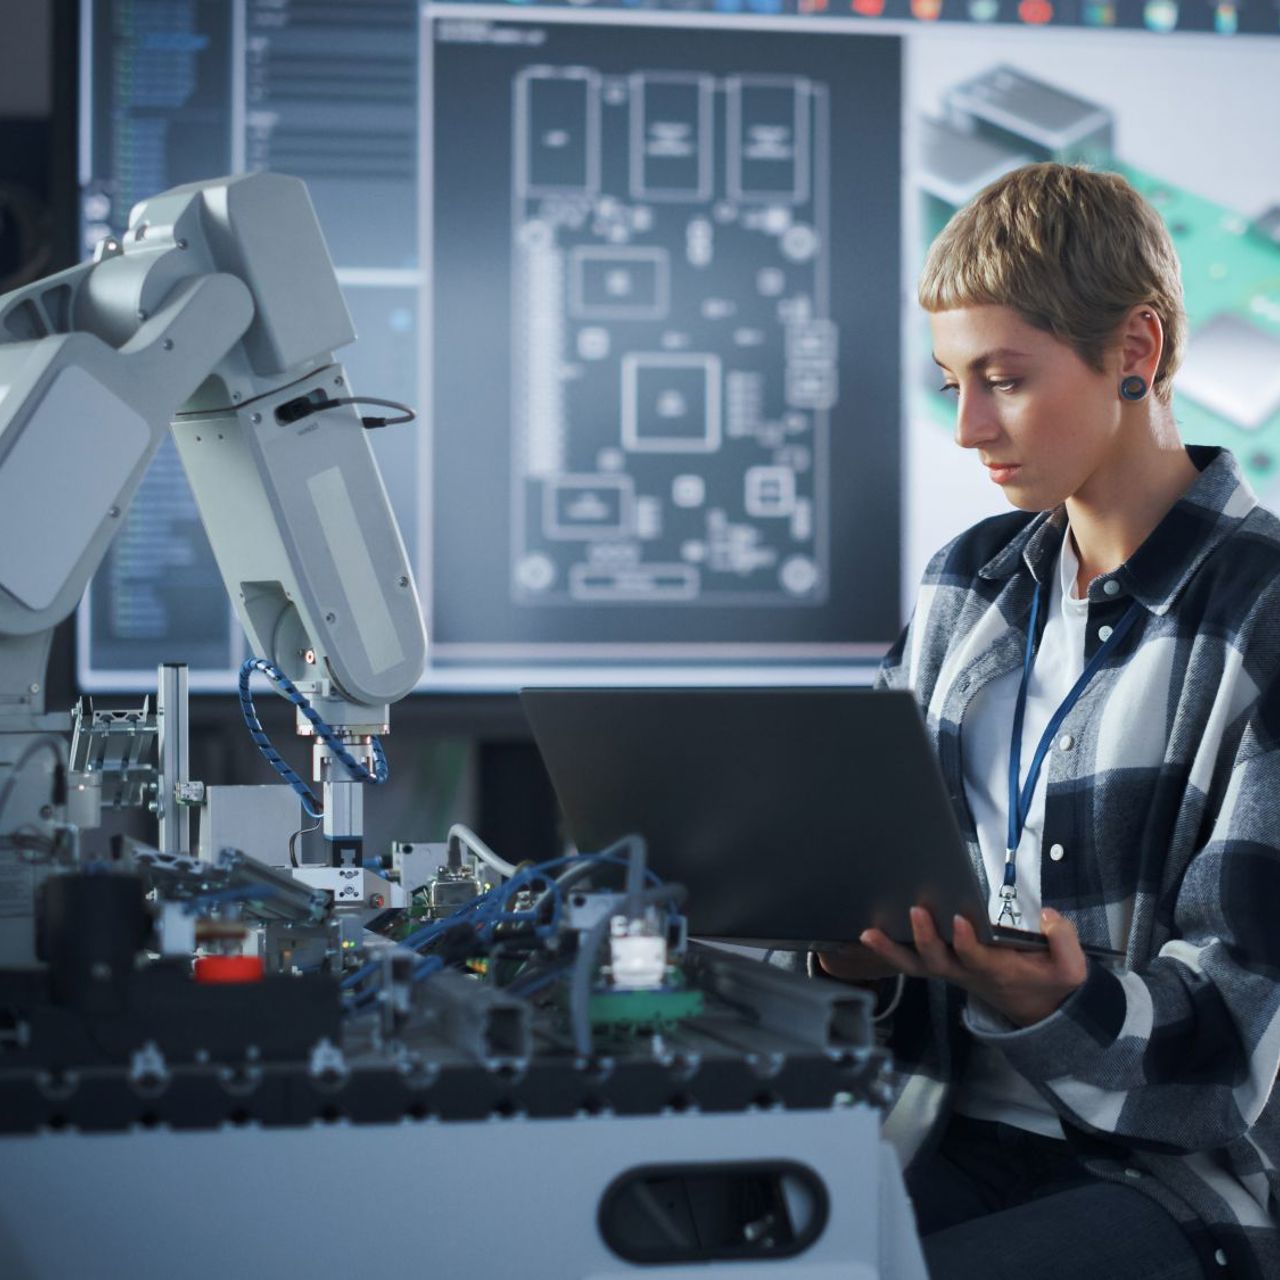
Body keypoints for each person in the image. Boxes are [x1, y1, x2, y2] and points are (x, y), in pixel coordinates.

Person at [817, 163, 1280, 1278]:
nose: (970, 425)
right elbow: (862, 854)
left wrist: (1063, 1004)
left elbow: (1235, 1042)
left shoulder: (1258, 617)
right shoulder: (963, 589)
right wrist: (846, 952)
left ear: (1136, 351)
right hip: (932, 1122)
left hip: (1167, 1179)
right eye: (951, 384)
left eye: (1004, 380)